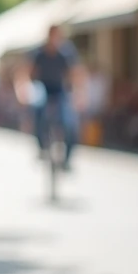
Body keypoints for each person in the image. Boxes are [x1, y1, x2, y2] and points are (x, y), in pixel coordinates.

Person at [28, 25, 86, 170]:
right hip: (43, 87)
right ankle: (41, 146)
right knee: (38, 109)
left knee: (69, 121)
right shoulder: (39, 53)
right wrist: (27, 88)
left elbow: (74, 73)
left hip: (60, 89)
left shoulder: (66, 53)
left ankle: (67, 159)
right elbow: (30, 71)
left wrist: (78, 94)